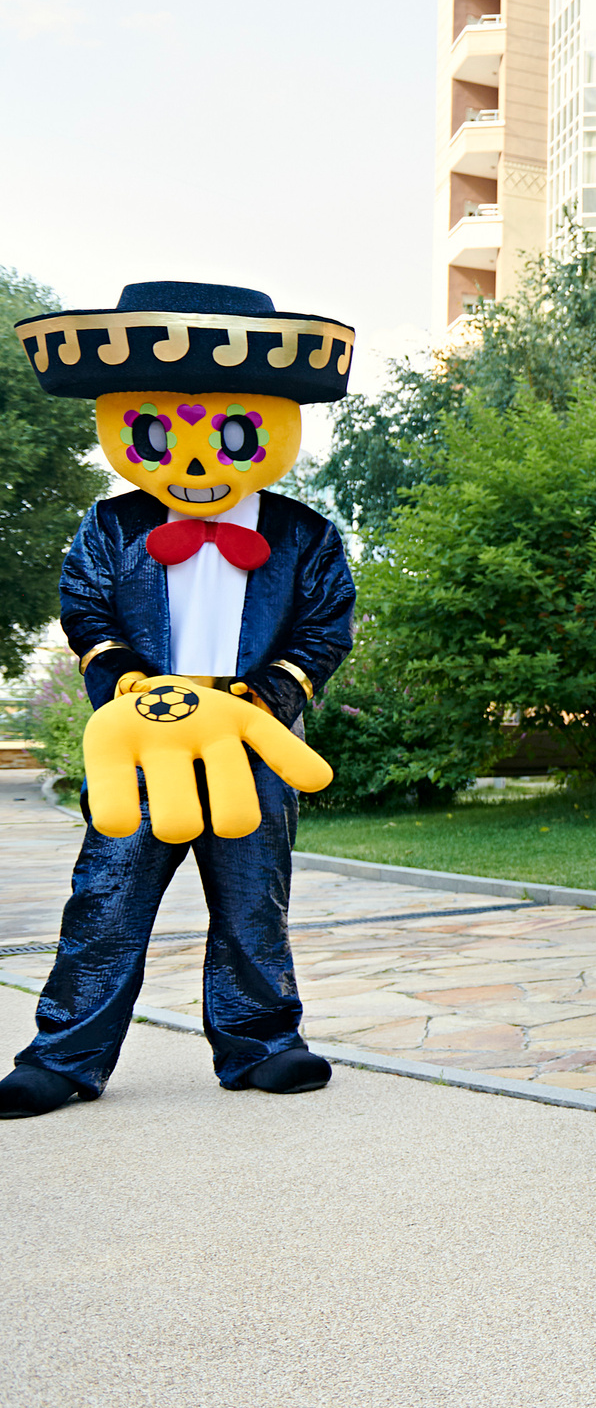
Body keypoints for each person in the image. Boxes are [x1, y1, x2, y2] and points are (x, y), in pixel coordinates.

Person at [1, 281, 356, 1119]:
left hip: (251, 740)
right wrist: (127, 679)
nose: (196, 460)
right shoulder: (112, 525)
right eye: (162, 432)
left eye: (230, 434)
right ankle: (63, 1055)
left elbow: (325, 624)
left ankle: (263, 1042)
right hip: (145, 741)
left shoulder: (303, 533)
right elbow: (84, 606)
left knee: (252, 897)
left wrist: (262, 695)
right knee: (107, 897)